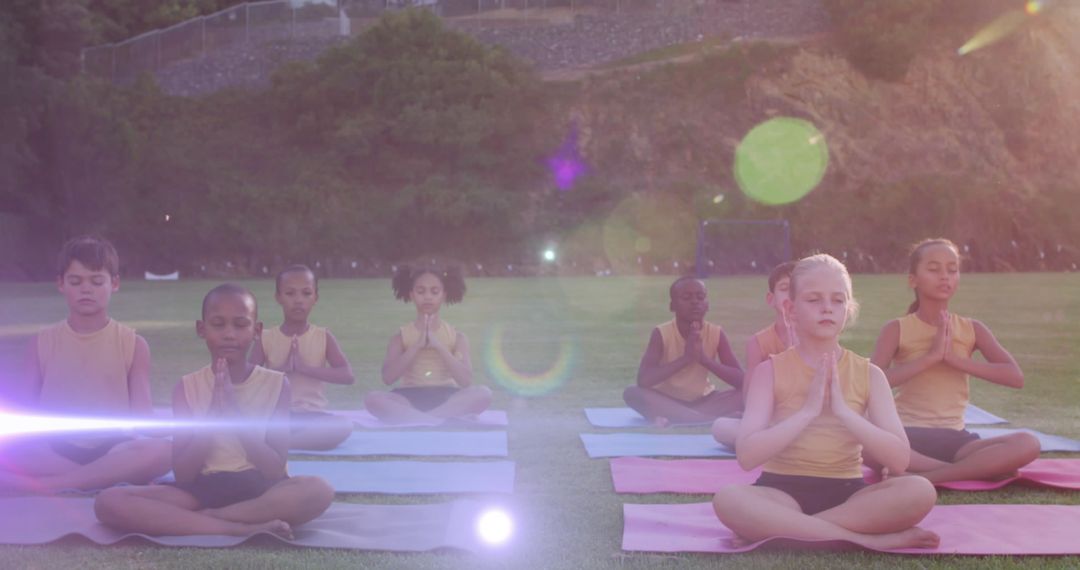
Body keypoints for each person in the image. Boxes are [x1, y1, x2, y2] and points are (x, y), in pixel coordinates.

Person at [713, 254, 939, 551]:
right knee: (728, 499)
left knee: (920, 490)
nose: (827, 308)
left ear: (848, 309)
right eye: (814, 299)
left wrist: (845, 412)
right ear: (790, 309)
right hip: (780, 490)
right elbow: (747, 456)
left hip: (848, 494)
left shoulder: (869, 374)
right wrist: (808, 411)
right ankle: (867, 541)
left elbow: (899, 460)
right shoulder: (770, 372)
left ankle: (787, 531)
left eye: (837, 300)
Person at [94, 284, 333, 538]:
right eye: (218, 324)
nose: (229, 334)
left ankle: (206, 520)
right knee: (109, 501)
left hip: (262, 490)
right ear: (202, 329)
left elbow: (274, 469)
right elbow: (184, 475)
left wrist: (235, 416)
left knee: (319, 490)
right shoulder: (186, 387)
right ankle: (239, 528)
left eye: (241, 325)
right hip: (202, 489)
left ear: (257, 330)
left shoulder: (276, 384)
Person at [0, 236, 170, 493]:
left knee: (163, 451)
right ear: (61, 284)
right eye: (76, 281)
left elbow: (142, 416)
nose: (86, 289)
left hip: (114, 448)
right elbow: (25, 413)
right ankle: (97, 480)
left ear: (114, 283)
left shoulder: (134, 344)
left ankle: (51, 485)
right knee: (10, 447)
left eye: (96, 281)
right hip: (52, 449)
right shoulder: (42, 343)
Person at [870, 238, 1038, 483]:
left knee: (1027, 443)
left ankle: (930, 476)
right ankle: (973, 469)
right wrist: (931, 358)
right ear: (913, 279)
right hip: (905, 435)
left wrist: (955, 360)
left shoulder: (973, 328)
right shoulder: (896, 328)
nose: (944, 276)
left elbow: (1015, 377)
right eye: (934, 269)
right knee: (853, 437)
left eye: (952, 269)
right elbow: (872, 383)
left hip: (958, 441)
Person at [364, 265, 492, 424]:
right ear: (411, 295)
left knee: (483, 393)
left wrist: (438, 345)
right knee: (373, 399)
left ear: (444, 295)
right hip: (408, 397)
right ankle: (440, 420)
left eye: (434, 291)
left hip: (448, 397)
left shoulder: (457, 337)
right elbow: (388, 378)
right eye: (421, 291)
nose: (428, 297)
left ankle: (422, 420)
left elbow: (465, 381)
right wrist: (417, 345)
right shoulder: (400, 337)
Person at [250, 265, 355, 450]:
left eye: (306, 293)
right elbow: (247, 380)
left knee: (344, 425)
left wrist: (305, 369)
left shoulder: (323, 336)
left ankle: (279, 443)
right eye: (290, 293)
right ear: (278, 297)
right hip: (276, 415)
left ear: (315, 298)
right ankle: (289, 440)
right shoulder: (265, 338)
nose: (298, 300)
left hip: (311, 416)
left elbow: (347, 376)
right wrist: (282, 370)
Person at [623, 276, 744, 426]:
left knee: (749, 393)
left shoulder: (716, 333)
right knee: (632, 393)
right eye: (686, 297)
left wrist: (704, 360)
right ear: (672, 306)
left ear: (707, 304)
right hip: (667, 400)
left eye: (700, 297)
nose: (695, 302)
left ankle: (686, 418)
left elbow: (742, 381)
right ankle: (704, 420)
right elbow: (644, 380)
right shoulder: (661, 333)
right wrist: (686, 359)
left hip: (705, 401)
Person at [713, 261, 796, 446]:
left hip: (808, 420)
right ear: (771, 298)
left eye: (799, 289)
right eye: (785, 288)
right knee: (720, 427)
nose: (792, 295)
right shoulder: (758, 343)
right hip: (770, 422)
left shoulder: (817, 336)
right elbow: (748, 397)